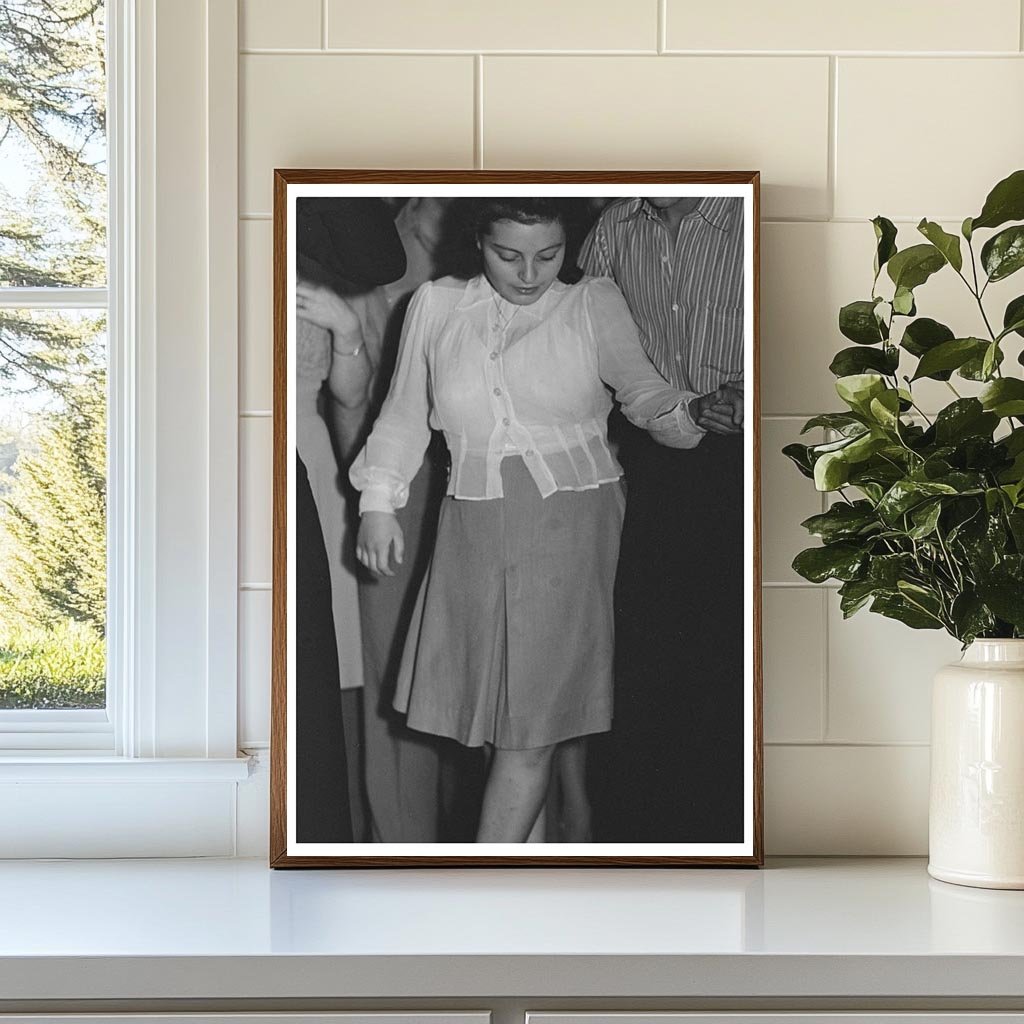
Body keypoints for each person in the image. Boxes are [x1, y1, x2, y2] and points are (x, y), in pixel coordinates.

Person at [349, 198, 714, 844]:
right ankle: (530, 890)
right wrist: (379, 502)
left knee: (529, 736)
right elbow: (405, 414)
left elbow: (646, 394)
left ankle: (479, 899)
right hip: (470, 527)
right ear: (476, 243)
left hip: (569, 526)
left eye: (547, 256)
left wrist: (695, 413)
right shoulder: (435, 307)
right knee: (498, 731)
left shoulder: (590, 304)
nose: (528, 273)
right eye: (508, 255)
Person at [577, 195, 746, 842]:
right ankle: (641, 839)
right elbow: (586, 344)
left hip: (746, 463)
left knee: (725, 656)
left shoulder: (740, 217)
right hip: (650, 465)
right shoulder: (611, 229)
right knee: (645, 655)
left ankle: (721, 832)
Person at [293, 197, 405, 842]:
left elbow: (358, 401)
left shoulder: (354, 284)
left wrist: (344, 330)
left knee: (331, 649)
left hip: (324, 463)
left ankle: (339, 826)